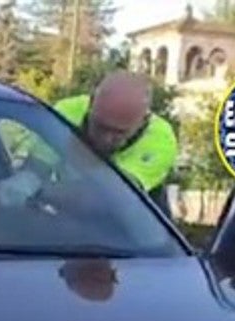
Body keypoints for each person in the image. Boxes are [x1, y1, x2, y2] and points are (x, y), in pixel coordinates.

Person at [52, 71, 179, 214]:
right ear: (91, 105)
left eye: (119, 133)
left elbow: (110, 196)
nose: (106, 139)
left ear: (143, 121)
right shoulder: (64, 113)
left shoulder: (160, 141)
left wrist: (46, 191)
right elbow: (34, 166)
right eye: (101, 127)